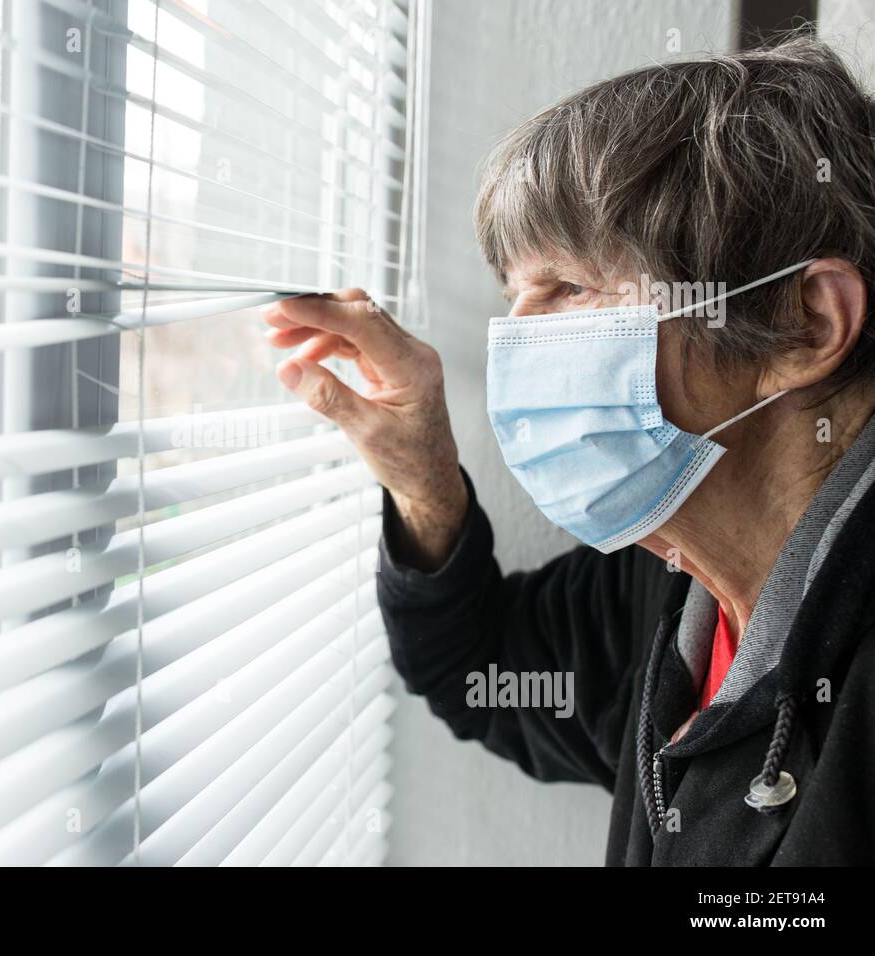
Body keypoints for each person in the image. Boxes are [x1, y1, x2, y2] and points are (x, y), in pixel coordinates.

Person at [264, 36, 875, 865]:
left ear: (807, 324)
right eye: (515, 296)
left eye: (571, 289)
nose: (516, 343)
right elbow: (480, 670)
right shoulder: (670, 576)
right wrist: (426, 482)